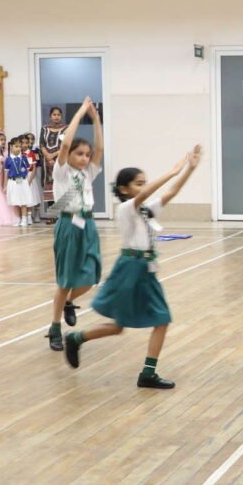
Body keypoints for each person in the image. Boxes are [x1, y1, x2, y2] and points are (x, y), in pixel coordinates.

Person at [64, 146, 202, 389]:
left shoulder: (147, 210)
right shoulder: (126, 209)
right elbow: (147, 193)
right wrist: (172, 171)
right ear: (124, 189)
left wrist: (189, 169)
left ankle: (147, 372)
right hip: (129, 269)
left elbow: (172, 192)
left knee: (160, 319)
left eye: (144, 182)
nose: (144, 187)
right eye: (138, 183)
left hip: (146, 269)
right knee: (120, 326)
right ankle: (76, 338)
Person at [46, 98, 104, 352]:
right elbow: (66, 143)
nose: (84, 158)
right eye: (79, 154)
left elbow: (100, 149)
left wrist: (96, 119)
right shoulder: (62, 172)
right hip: (69, 224)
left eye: (86, 155)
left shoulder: (87, 172)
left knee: (91, 276)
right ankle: (55, 327)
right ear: (68, 155)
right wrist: (80, 113)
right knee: (65, 280)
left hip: (87, 224)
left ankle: (69, 302)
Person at [40, 107, 66, 219]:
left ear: (61, 116)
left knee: (61, 187)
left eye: (58, 114)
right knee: (49, 188)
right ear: (50, 116)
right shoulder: (44, 129)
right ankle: (52, 216)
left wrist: (54, 155)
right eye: (54, 114)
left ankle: (62, 215)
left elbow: (66, 145)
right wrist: (48, 156)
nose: (56, 117)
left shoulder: (66, 129)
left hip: (60, 161)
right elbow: (41, 144)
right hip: (47, 164)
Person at [4, 136, 35, 227]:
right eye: (16, 146)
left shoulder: (23, 158)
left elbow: (28, 169)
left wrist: (26, 180)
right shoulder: (8, 159)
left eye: (20, 147)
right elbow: (6, 173)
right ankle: (18, 218)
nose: (19, 149)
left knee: (23, 201)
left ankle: (24, 219)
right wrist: (5, 185)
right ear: (11, 147)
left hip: (22, 182)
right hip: (13, 182)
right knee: (15, 201)